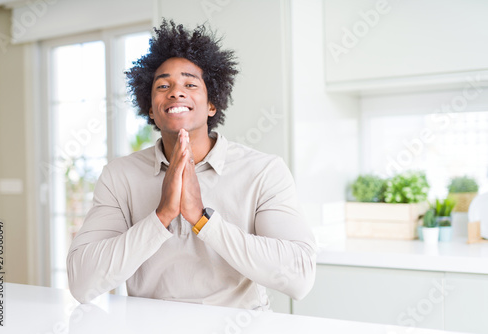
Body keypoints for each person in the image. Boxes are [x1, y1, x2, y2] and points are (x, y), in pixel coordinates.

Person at [67, 19, 316, 310]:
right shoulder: (119, 176)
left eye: (190, 83)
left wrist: (202, 219)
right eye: (163, 85)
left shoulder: (263, 171)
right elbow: (82, 283)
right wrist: (161, 216)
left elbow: (300, 277)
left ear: (212, 104)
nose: (176, 92)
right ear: (150, 107)